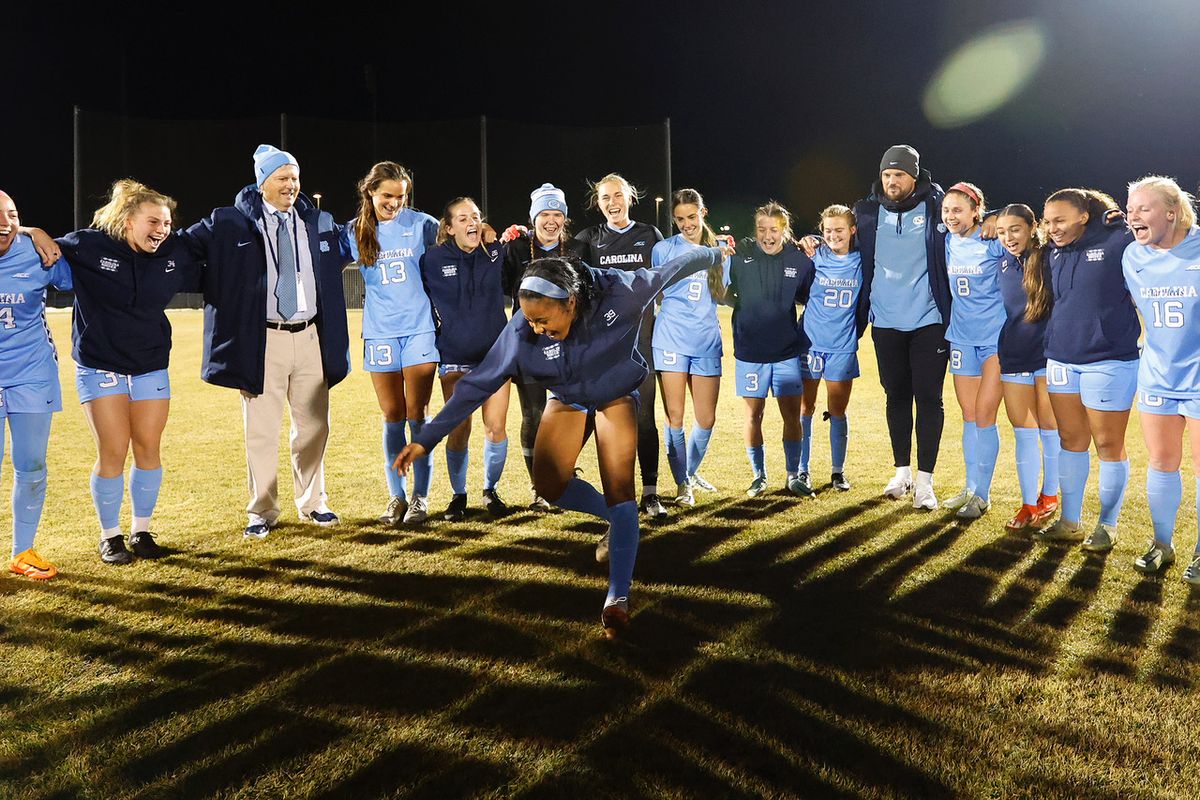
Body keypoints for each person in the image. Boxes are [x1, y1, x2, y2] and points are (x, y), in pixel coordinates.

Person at [394, 241, 734, 637]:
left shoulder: (623, 292)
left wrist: (713, 255)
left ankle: (617, 599)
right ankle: (612, 521)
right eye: (530, 321)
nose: (536, 329)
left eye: (543, 320)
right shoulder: (523, 327)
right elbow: (479, 383)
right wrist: (428, 438)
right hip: (569, 396)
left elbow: (676, 265)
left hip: (616, 392)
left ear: (571, 301)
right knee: (549, 484)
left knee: (620, 488)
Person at [184, 145, 350, 540]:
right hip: (264, 338)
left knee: (314, 426)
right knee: (261, 430)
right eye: (282, 177)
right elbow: (180, 247)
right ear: (262, 183)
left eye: (295, 177)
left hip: (310, 335)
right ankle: (262, 509)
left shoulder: (318, 220)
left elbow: (357, 240)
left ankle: (313, 501)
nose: (291, 185)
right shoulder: (229, 222)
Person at [56, 180, 203, 564]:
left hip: (151, 363)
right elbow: (44, 248)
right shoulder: (89, 245)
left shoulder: (173, 250)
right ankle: (110, 536)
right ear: (126, 221)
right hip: (100, 363)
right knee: (113, 450)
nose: (162, 230)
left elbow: (210, 243)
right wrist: (30, 229)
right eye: (153, 221)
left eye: (167, 223)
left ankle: (141, 531)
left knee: (148, 449)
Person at [848, 145, 951, 510]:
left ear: (914, 176)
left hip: (929, 320)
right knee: (895, 396)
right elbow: (839, 239)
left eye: (899, 175)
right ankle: (902, 472)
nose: (892, 181)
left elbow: (974, 215)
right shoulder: (865, 211)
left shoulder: (938, 206)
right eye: (887, 174)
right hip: (886, 320)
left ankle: (925, 483)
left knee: (929, 398)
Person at [1035, 188, 1136, 552]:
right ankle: (1069, 521)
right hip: (1061, 357)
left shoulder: (1117, 239)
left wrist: (1123, 220)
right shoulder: (1052, 251)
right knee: (1070, 441)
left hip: (1110, 359)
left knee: (1109, 445)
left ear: (1083, 215)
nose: (1053, 228)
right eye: (1048, 222)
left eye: (1060, 220)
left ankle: (1107, 525)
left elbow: (1152, 238)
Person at [342, 161, 440, 526]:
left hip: (419, 330)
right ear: (370, 192)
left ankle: (420, 498)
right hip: (380, 333)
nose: (395, 203)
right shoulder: (353, 232)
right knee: (392, 416)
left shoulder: (423, 225)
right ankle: (396, 497)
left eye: (401, 197)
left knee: (418, 414)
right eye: (387, 196)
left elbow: (460, 239)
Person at [575, 173, 667, 518]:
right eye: (604, 198)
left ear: (630, 197)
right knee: (589, 411)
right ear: (597, 204)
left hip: (641, 344)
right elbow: (562, 264)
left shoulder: (649, 236)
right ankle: (565, 476)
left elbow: (671, 267)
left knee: (645, 418)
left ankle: (651, 494)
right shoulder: (589, 239)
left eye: (617, 196)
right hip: (604, 347)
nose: (612, 203)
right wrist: (519, 238)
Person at [1121, 176, 1200, 578]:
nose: (1133, 216)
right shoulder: (1132, 256)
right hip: (1156, 374)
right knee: (1162, 462)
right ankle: (1162, 544)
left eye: (1143, 209)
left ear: (1172, 212)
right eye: (1130, 209)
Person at [419, 197, 511, 520]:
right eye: (462, 218)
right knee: (459, 429)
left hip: (496, 356)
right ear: (448, 227)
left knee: (496, 427)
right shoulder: (431, 259)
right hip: (455, 357)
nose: (471, 223)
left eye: (475, 216)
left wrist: (496, 232)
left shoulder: (495, 251)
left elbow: (523, 244)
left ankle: (490, 490)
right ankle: (459, 495)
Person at [502, 183, 587, 512]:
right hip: (529, 345)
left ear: (564, 219)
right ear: (532, 217)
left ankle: (561, 478)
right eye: (544, 214)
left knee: (573, 414)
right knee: (533, 415)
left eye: (557, 214)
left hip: (569, 346)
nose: (550, 220)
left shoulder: (577, 249)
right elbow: (498, 289)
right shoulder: (516, 248)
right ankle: (539, 488)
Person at [0, 192, 72, 578]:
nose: (5, 222)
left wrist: (36, 232)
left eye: (12, 215)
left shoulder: (34, 251)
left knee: (32, 465)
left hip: (31, 373)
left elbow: (82, 281)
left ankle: (23, 551)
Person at [727, 201, 812, 498]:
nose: (767, 235)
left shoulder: (799, 260)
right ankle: (758, 476)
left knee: (792, 415)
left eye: (773, 229)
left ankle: (793, 475)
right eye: (762, 229)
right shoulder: (741, 254)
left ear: (784, 231)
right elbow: (724, 291)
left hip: (786, 352)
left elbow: (807, 297)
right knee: (753, 416)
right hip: (750, 353)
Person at [651, 188, 728, 506]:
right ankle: (683, 485)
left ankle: (689, 471)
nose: (686, 224)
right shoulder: (663, 249)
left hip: (707, 340)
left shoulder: (720, 249)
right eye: (680, 219)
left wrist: (723, 259)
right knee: (676, 417)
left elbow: (721, 293)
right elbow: (657, 294)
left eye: (692, 217)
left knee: (706, 419)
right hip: (670, 338)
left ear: (702, 213)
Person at [939, 182, 1008, 519]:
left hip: (995, 338)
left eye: (958, 210)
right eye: (947, 210)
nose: (951, 216)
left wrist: (999, 218)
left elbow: (1024, 231)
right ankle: (969, 487)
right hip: (961, 337)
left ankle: (982, 495)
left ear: (975, 211)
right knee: (968, 417)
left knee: (984, 415)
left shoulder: (992, 240)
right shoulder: (947, 239)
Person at [995, 204, 1060, 533]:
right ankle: (1027, 504)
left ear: (1033, 226)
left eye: (1015, 230)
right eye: (1002, 231)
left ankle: (1050, 495)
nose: (1008, 237)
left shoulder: (1051, 257)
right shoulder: (1001, 262)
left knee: (1050, 429)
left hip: (1050, 356)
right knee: (1023, 431)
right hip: (1014, 355)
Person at [797, 204, 863, 493]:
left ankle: (838, 472)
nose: (833, 235)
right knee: (805, 407)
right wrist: (805, 240)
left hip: (842, 345)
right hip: (810, 343)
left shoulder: (863, 260)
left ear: (852, 230)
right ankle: (802, 470)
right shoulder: (815, 255)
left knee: (837, 410)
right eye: (827, 230)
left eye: (839, 230)